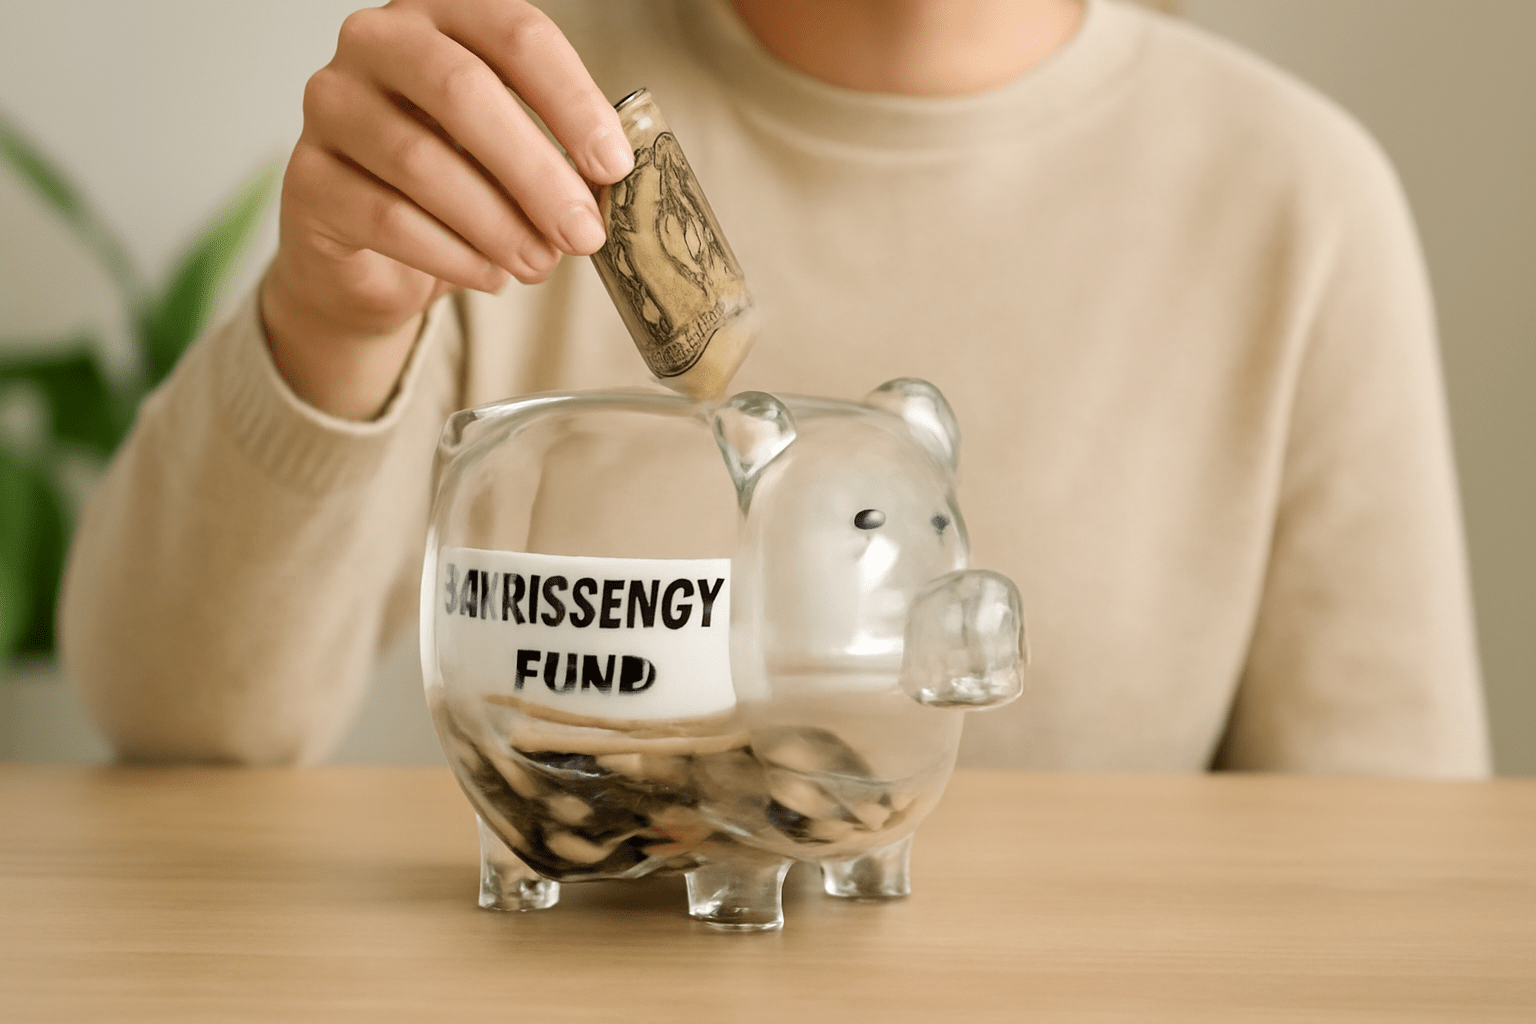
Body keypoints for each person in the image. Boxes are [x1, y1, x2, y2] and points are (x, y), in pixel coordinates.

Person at [58, 0, 1490, 774]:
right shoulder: (503, 147)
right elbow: (173, 715)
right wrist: (331, 310)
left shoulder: (1300, 203)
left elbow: (1376, 876)